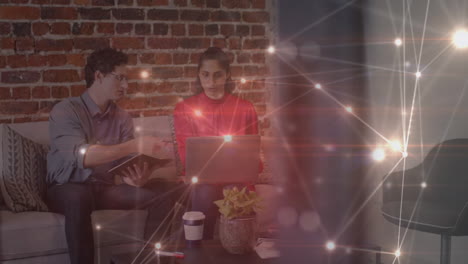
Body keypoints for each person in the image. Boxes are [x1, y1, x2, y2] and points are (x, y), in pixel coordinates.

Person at [46, 48, 174, 264]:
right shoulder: (65, 111)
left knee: (163, 194)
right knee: (79, 197)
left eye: (127, 79)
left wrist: (135, 177)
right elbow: (83, 156)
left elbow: (124, 166)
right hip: (66, 187)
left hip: (104, 189)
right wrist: (135, 145)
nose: (126, 86)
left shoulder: (122, 117)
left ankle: (150, 261)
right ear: (99, 76)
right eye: (120, 78)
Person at [173, 47, 260, 239]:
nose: (211, 82)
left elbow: (253, 153)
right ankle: (200, 252)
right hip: (202, 181)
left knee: (237, 194)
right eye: (205, 75)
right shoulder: (185, 109)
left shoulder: (245, 108)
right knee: (204, 192)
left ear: (227, 75)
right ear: (198, 74)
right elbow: (186, 154)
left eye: (217, 75)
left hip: (238, 179)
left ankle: (237, 249)